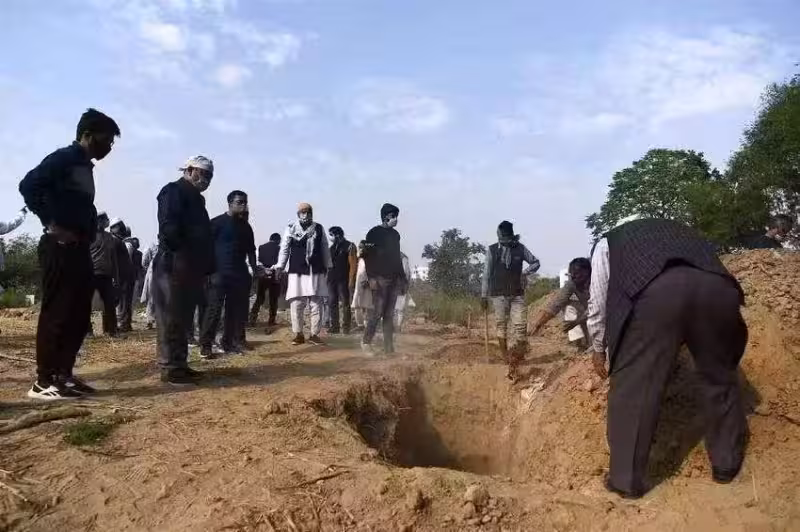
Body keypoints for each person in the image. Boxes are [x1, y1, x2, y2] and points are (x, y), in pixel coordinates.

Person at [587, 218, 748, 499]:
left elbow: (598, 301)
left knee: (635, 388)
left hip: (658, 297)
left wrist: (598, 347)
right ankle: (726, 465)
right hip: (718, 290)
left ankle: (625, 480)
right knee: (720, 377)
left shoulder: (609, 241)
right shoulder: (683, 230)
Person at [18, 108, 120, 400]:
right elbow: (28, 185)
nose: (108, 147)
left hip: (79, 248)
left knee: (78, 314)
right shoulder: (64, 158)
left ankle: (64, 374)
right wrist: (51, 222)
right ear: (87, 135)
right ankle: (43, 381)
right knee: (58, 313)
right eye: (105, 140)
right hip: (59, 247)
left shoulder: (85, 167)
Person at [152, 155, 215, 385]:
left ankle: (180, 365)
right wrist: (181, 254)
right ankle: (169, 368)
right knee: (170, 317)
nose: (206, 179)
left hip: (190, 265)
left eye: (209, 176)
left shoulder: (198, 200)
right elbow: (169, 227)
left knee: (182, 318)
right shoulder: (173, 191)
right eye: (202, 173)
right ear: (189, 170)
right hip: (173, 262)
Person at [200, 190, 259, 358]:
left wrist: (255, 269)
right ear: (230, 203)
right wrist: (205, 271)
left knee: (234, 312)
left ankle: (228, 342)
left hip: (238, 275)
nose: (243, 205)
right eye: (240, 202)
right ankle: (206, 345)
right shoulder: (216, 223)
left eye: (245, 202)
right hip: (218, 274)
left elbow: (251, 251)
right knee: (214, 310)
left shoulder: (246, 227)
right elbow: (204, 248)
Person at [480, 220, 540, 380]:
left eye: (507, 237)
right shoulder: (492, 250)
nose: (504, 239)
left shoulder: (520, 248)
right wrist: (483, 296)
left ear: (511, 235)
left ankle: (517, 357)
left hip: (517, 294)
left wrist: (525, 273)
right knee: (501, 325)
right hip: (498, 294)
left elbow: (535, 262)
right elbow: (486, 275)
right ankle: (505, 357)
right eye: (502, 237)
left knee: (520, 326)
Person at [275, 203, 332, 346]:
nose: (305, 215)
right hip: (297, 270)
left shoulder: (318, 228)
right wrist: (280, 266)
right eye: (302, 212)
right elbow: (284, 248)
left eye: (308, 212)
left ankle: (314, 335)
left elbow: (324, 247)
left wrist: (328, 266)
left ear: (312, 213)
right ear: (298, 214)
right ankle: (298, 334)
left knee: (316, 303)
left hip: (315, 270)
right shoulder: (291, 228)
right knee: (297, 303)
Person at [361, 203, 407, 355]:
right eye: (393, 216)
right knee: (377, 312)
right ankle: (366, 343)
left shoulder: (395, 235)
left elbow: (397, 259)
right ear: (385, 216)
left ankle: (388, 348)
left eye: (396, 216)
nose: (396, 219)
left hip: (393, 279)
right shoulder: (374, 233)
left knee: (389, 315)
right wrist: (371, 278)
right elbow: (367, 257)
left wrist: (403, 279)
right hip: (379, 279)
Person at [530, 257, 591, 346]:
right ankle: (579, 344)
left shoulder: (598, 280)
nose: (573, 277)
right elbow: (557, 303)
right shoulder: (572, 283)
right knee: (569, 307)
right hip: (587, 311)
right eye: (571, 274)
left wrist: (577, 322)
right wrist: (539, 323)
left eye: (576, 274)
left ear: (586, 272)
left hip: (604, 313)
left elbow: (597, 307)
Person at [88, 212, 120, 337]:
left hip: (106, 275)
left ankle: (111, 330)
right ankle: (87, 331)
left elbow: (114, 259)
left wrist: (116, 278)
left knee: (109, 304)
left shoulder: (109, 237)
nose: (104, 222)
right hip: (91, 274)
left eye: (105, 220)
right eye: (101, 220)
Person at [327, 226, 358, 334]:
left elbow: (353, 265)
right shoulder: (331, 248)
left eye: (331, 235)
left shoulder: (349, 246)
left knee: (345, 303)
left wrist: (351, 280)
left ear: (337, 235)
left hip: (343, 280)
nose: (330, 237)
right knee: (332, 303)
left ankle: (346, 327)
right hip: (331, 280)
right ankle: (335, 327)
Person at [249, 233, 282, 329]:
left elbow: (257, 261)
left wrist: (264, 269)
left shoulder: (261, 247)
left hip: (263, 275)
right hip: (274, 275)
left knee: (259, 298)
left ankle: (252, 319)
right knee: (273, 299)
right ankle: (271, 321)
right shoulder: (279, 249)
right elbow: (281, 263)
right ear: (278, 240)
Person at [110, 218, 135, 332]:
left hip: (123, 275)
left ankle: (124, 324)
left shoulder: (120, 242)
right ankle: (126, 323)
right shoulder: (121, 242)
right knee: (125, 300)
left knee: (124, 300)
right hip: (125, 275)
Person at [351, 240, 372, 330]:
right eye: (359, 247)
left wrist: (368, 281)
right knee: (357, 306)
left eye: (362, 247)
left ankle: (368, 326)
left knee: (368, 306)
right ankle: (360, 325)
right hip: (358, 286)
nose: (360, 249)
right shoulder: (360, 259)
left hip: (368, 286)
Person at [140, 240, 158, 329]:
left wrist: (147, 267)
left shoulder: (151, 246)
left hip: (153, 273)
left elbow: (144, 261)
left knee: (151, 298)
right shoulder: (172, 246)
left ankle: (150, 321)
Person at [394, 252, 414, 331]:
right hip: (401, 286)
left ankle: (392, 326)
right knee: (399, 309)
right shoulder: (403, 257)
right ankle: (398, 326)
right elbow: (407, 273)